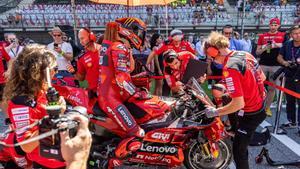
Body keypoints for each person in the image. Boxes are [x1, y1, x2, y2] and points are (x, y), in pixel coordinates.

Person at [204, 31, 266, 169]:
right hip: (258, 107)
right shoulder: (246, 54)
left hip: (251, 113)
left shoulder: (229, 68)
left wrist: (216, 111)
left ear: (214, 51)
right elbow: (262, 78)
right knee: (241, 146)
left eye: (209, 55)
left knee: (238, 150)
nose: (210, 59)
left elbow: (238, 103)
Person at [3, 44, 66, 169]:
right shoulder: (21, 103)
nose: (56, 72)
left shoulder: (43, 89)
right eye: (54, 68)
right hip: (47, 163)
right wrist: (52, 117)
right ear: (37, 73)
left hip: (61, 155)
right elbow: (26, 146)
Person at [98, 20, 146, 140]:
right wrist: (136, 92)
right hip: (111, 98)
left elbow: (128, 69)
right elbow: (122, 78)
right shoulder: (118, 47)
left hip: (113, 93)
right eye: (138, 32)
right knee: (137, 133)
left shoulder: (112, 44)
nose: (140, 35)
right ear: (130, 31)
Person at [146, 29, 196, 96]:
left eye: (179, 41)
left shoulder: (186, 44)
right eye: (175, 41)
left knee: (182, 94)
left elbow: (194, 55)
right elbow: (154, 52)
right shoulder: (165, 43)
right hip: (169, 72)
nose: (177, 43)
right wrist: (147, 64)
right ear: (171, 38)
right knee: (166, 92)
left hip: (182, 73)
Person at [256, 17, 286, 116]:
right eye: (271, 25)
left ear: (278, 26)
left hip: (276, 65)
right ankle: (256, 107)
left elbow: (287, 46)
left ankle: (267, 108)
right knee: (258, 87)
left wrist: (276, 45)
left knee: (272, 88)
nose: (273, 26)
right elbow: (257, 51)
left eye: (275, 25)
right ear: (269, 25)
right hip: (263, 64)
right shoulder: (263, 36)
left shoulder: (283, 35)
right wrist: (264, 48)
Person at [277, 25, 300, 128]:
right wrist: (285, 63)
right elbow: (279, 57)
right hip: (289, 74)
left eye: (299, 33)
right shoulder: (287, 44)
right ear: (291, 35)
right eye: (295, 33)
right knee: (290, 99)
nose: (298, 35)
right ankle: (292, 121)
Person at [69, 28, 101, 96]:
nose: (81, 42)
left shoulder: (104, 50)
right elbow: (81, 78)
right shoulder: (81, 57)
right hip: (93, 95)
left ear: (91, 36)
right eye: (79, 39)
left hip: (108, 92)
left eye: (82, 38)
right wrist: (74, 72)